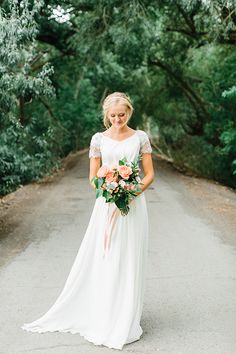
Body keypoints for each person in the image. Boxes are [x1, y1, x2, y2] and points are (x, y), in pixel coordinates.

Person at [21, 91, 155, 350]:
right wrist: (111, 188)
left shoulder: (140, 138)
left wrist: (129, 192)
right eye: (113, 115)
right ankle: (105, 312)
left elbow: (149, 174)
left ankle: (126, 315)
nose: (118, 119)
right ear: (107, 115)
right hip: (106, 206)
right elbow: (93, 177)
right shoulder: (98, 140)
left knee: (129, 256)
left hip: (133, 206)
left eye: (122, 114)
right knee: (107, 255)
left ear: (129, 112)